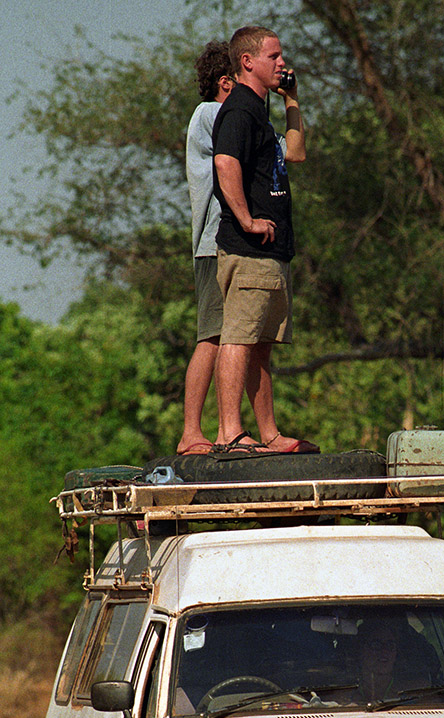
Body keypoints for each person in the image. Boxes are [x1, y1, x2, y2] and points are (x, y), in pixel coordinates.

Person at [211, 25, 318, 454]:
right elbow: (224, 163)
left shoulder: (261, 111)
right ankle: (230, 433)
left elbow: (296, 153)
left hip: (273, 253)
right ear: (247, 62)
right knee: (238, 336)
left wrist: (291, 98)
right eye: (273, 56)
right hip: (249, 250)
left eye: (281, 56)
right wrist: (246, 218)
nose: (281, 63)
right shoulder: (238, 110)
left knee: (260, 344)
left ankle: (268, 433)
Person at [177, 42, 235, 456]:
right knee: (211, 337)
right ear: (226, 82)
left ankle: (224, 428)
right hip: (215, 243)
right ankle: (190, 432)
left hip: (225, 244)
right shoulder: (212, 114)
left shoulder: (222, 116)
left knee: (231, 337)